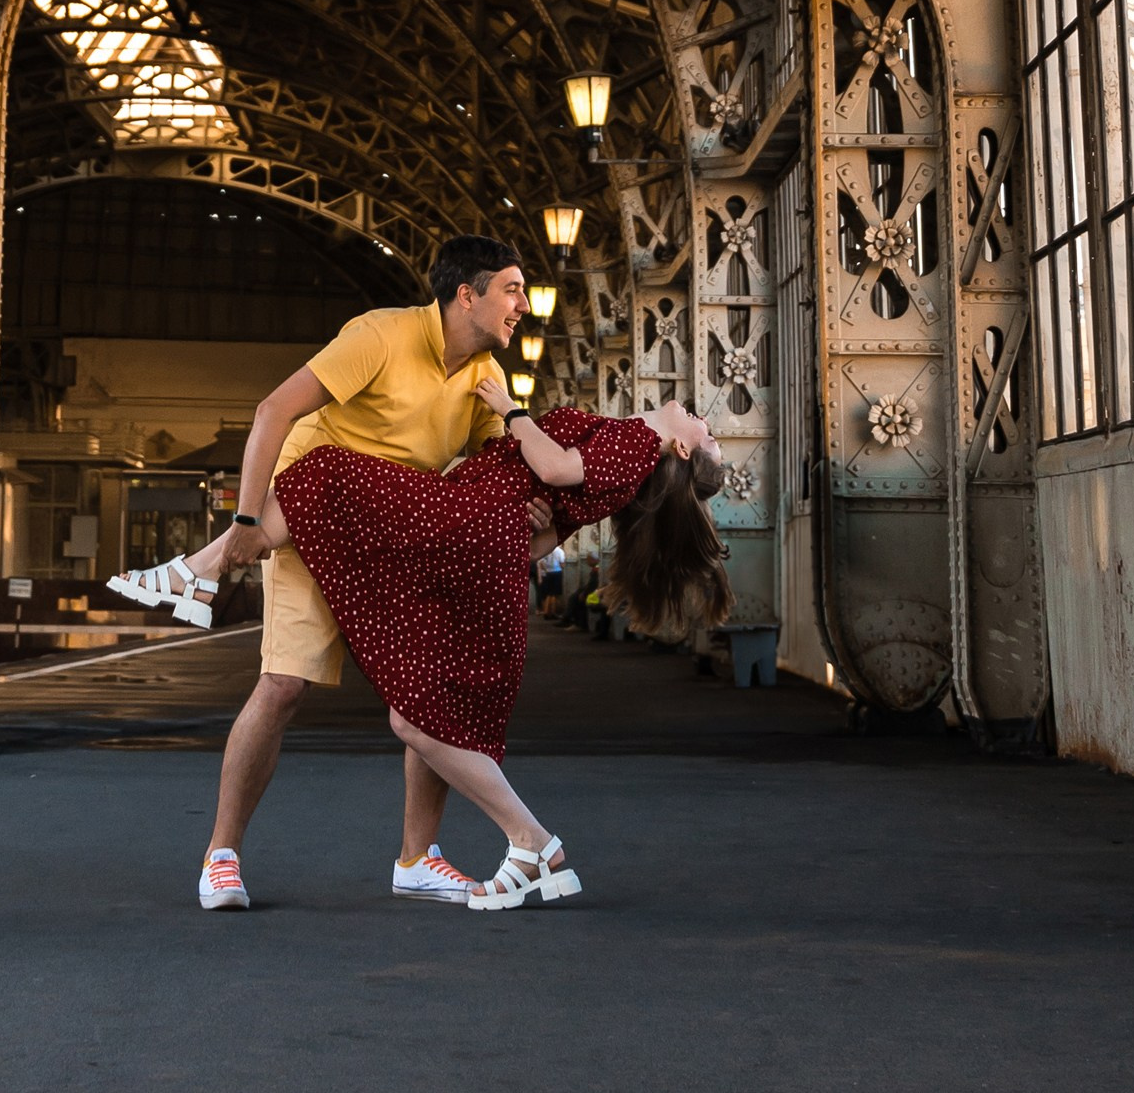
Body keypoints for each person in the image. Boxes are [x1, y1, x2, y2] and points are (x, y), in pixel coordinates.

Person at [116, 362, 730, 913]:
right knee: (424, 711)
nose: (708, 423)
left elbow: (551, 465)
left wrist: (511, 412)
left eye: (710, 436)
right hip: (478, 529)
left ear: (679, 445)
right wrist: (515, 500)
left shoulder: (639, 442)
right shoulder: (628, 454)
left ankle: (195, 573)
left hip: (465, 524)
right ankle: (481, 851)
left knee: (325, 472)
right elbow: (539, 539)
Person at [109, 235, 533, 911]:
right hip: (317, 519)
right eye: (511, 289)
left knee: (430, 699)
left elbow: (489, 469)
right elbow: (274, 409)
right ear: (466, 294)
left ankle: (418, 859)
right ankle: (221, 855)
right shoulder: (381, 336)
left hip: (394, 537)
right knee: (281, 687)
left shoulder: (488, 378)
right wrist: (248, 521)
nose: (523, 305)